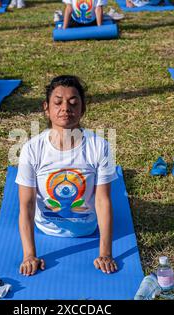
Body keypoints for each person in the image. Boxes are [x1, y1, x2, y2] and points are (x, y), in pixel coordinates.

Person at [16, 75, 118, 277]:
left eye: (73, 102)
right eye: (58, 102)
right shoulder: (32, 149)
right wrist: (29, 255)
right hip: (46, 228)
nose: (65, 108)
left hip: (88, 228)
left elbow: (103, 200)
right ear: (46, 107)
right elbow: (26, 204)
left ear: (83, 108)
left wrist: (105, 253)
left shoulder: (100, 146)